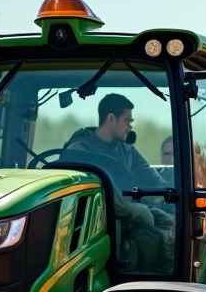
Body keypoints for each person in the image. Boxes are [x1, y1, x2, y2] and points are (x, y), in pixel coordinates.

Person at [65, 94, 174, 270]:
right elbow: (102, 199)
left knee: (171, 224)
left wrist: (170, 198)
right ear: (110, 118)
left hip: (130, 214)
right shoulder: (79, 150)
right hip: (98, 224)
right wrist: (140, 212)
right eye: (126, 121)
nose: (129, 127)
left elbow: (153, 180)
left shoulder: (126, 149)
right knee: (151, 239)